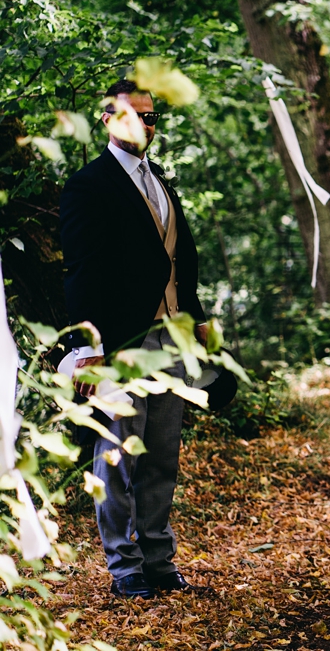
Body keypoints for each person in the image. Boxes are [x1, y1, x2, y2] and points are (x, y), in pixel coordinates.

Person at [59, 80, 213, 599]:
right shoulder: (89, 185)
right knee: (118, 455)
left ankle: (158, 558)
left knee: (162, 455)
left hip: (170, 338)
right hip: (120, 346)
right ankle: (123, 565)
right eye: (133, 116)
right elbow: (81, 272)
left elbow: (179, 259)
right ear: (107, 119)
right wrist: (87, 349)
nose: (144, 126)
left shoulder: (161, 181)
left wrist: (196, 318)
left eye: (151, 118)